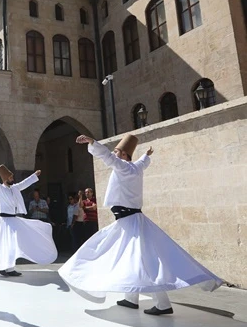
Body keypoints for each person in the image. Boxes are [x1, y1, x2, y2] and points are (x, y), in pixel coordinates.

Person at [58, 134, 222, 315]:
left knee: (137, 258)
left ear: (123, 154)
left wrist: (91, 142)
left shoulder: (123, 167)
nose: (114, 153)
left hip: (129, 222)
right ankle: (132, 298)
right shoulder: (136, 167)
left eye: (117, 151)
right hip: (131, 220)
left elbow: (107, 157)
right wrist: (147, 154)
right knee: (136, 259)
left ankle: (162, 304)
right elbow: (143, 162)